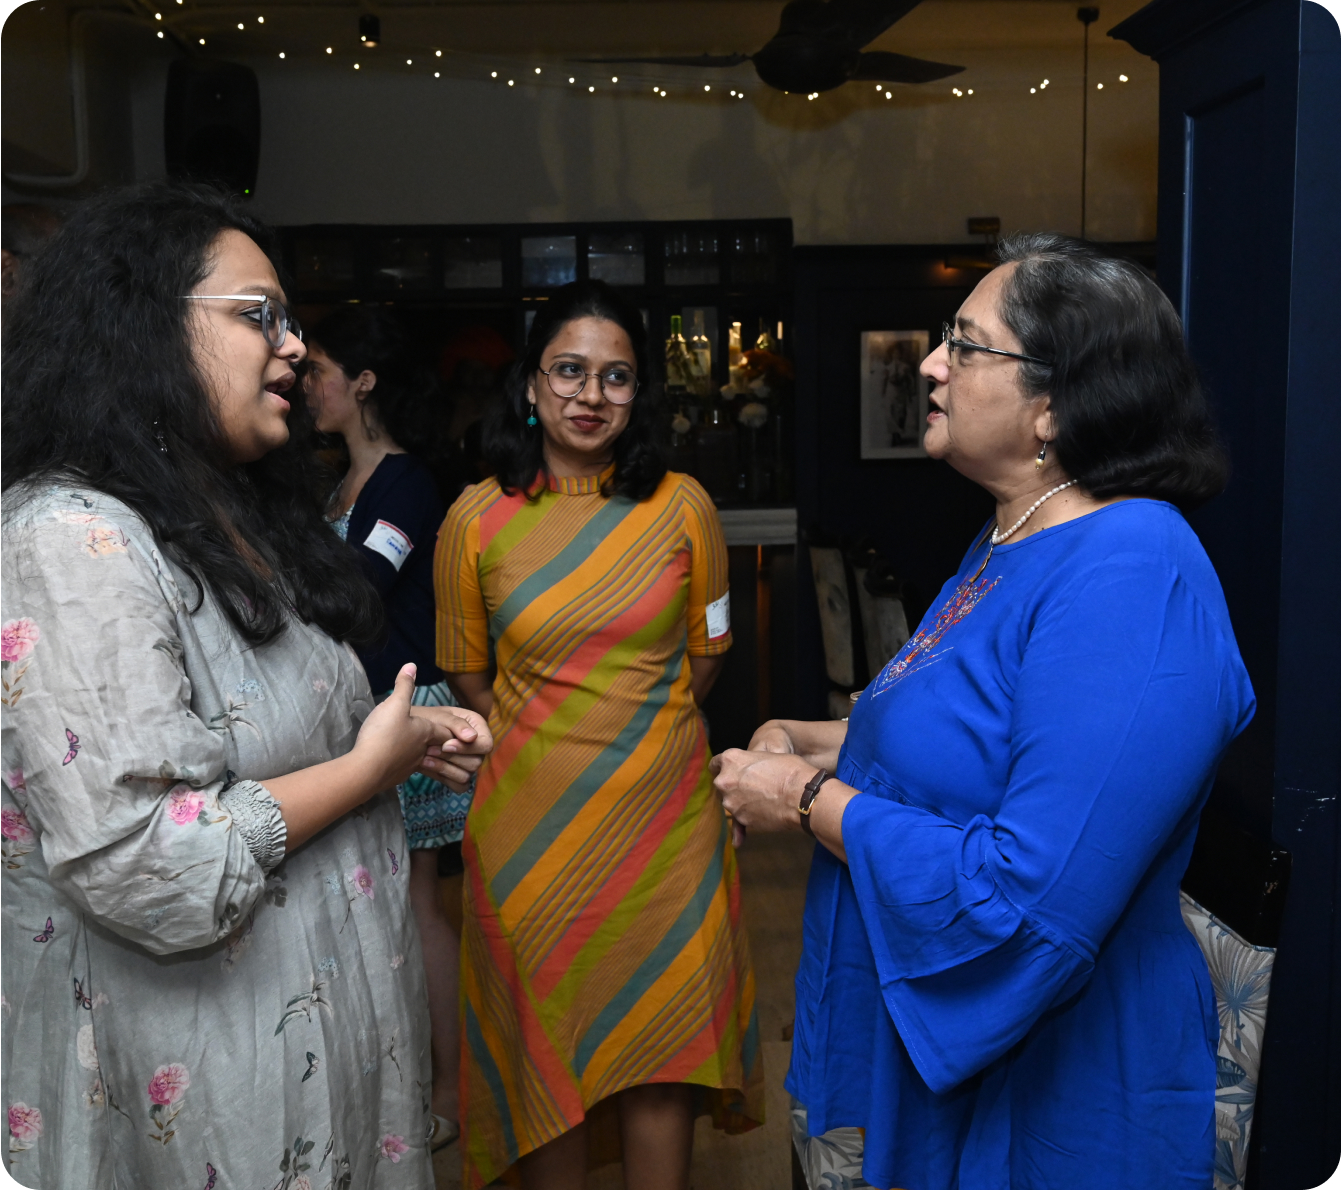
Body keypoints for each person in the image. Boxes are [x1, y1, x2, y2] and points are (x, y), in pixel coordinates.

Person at [711, 234, 1255, 1190]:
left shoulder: (1130, 568)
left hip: (1061, 1081)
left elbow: (1027, 900)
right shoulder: (1009, 537)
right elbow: (975, 742)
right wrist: (824, 740)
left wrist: (802, 799)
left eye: (964, 345)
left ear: (1054, 403)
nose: (929, 364)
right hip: (968, 1066)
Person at [0, 181, 491, 1190]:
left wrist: (398, 732)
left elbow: (264, 730)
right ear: (140, 324)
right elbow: (143, 859)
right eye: (258, 314)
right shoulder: (73, 539)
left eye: (293, 319)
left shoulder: (234, 516)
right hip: (206, 1084)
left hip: (314, 1057)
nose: (296, 346)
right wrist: (367, 769)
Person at [435, 281, 763, 1190]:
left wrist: (632, 727)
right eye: (569, 372)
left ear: (638, 394)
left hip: (664, 827)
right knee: (545, 1055)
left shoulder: (683, 507)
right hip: (528, 835)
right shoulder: (473, 519)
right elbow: (469, 671)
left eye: (615, 378)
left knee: (662, 1050)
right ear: (531, 386)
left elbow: (704, 658)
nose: (590, 396)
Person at [305, 304, 471, 1149]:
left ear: (362, 381)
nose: (304, 382)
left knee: (416, 905)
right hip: (354, 718)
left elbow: (363, 583)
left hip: (408, 711)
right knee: (378, 907)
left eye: (319, 367)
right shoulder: (334, 483)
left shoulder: (404, 481)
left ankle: (446, 1092)